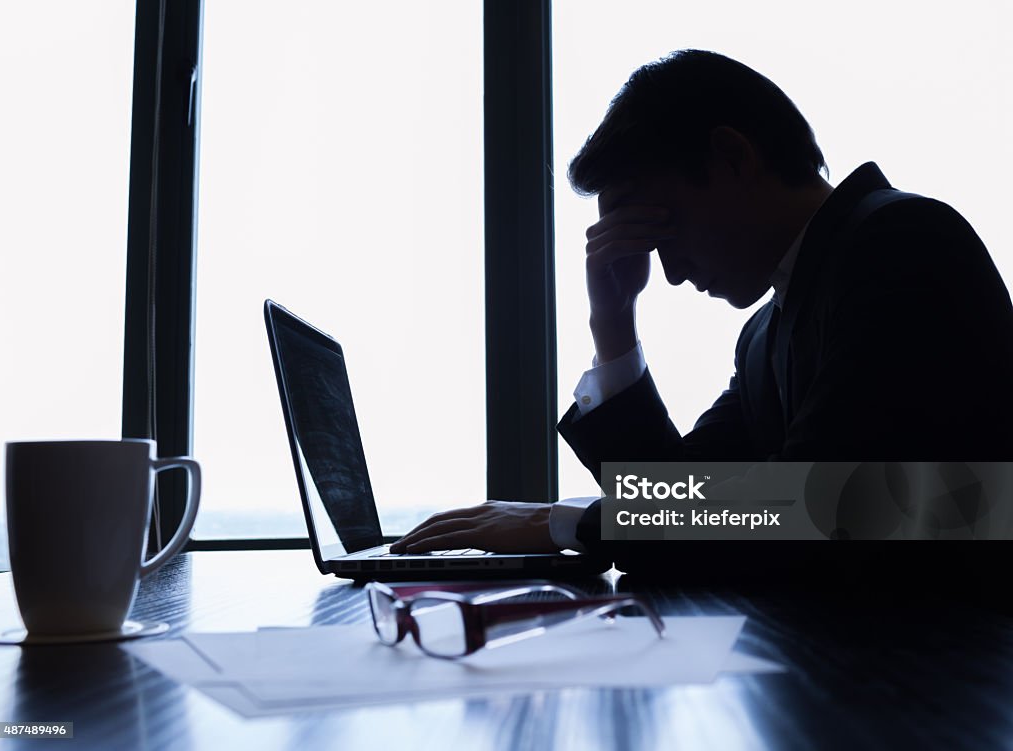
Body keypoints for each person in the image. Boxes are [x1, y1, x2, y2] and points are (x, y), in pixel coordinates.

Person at [392, 49, 1013, 577]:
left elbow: (814, 508)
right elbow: (679, 503)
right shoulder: (765, 332)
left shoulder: (901, 239)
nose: (670, 272)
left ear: (733, 158)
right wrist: (613, 325)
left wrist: (565, 523)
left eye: (662, 230)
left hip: (945, 686)